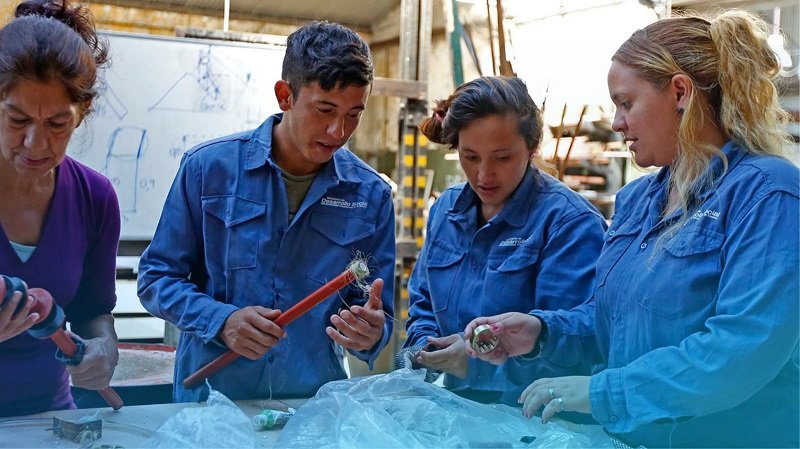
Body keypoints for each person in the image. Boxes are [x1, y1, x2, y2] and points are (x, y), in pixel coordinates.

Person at [465, 10, 799, 448]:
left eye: (626, 103)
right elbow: (618, 323)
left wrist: (606, 392)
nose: (617, 122)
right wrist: (542, 332)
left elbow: (743, 348)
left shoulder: (768, 193)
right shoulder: (640, 200)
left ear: (679, 92)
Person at [137, 21, 395, 403]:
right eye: (324, 109)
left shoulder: (370, 195)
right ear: (284, 95)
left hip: (309, 407)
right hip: (211, 402)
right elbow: (157, 278)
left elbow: (377, 312)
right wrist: (221, 321)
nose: (338, 130)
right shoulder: (208, 170)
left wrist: (371, 334)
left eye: (354, 114)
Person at [398, 76, 606, 405]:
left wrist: (477, 366)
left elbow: (577, 343)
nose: (484, 174)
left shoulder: (568, 223)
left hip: (534, 419)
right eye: (470, 156)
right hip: (454, 408)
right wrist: (426, 345)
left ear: (532, 148)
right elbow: (422, 302)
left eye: (502, 157)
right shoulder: (446, 210)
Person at [0, 0, 121, 417]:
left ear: (82, 114)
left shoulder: (95, 198)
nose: (35, 144)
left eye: (57, 124)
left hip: (49, 420)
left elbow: (93, 313)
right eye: (17, 120)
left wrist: (103, 349)